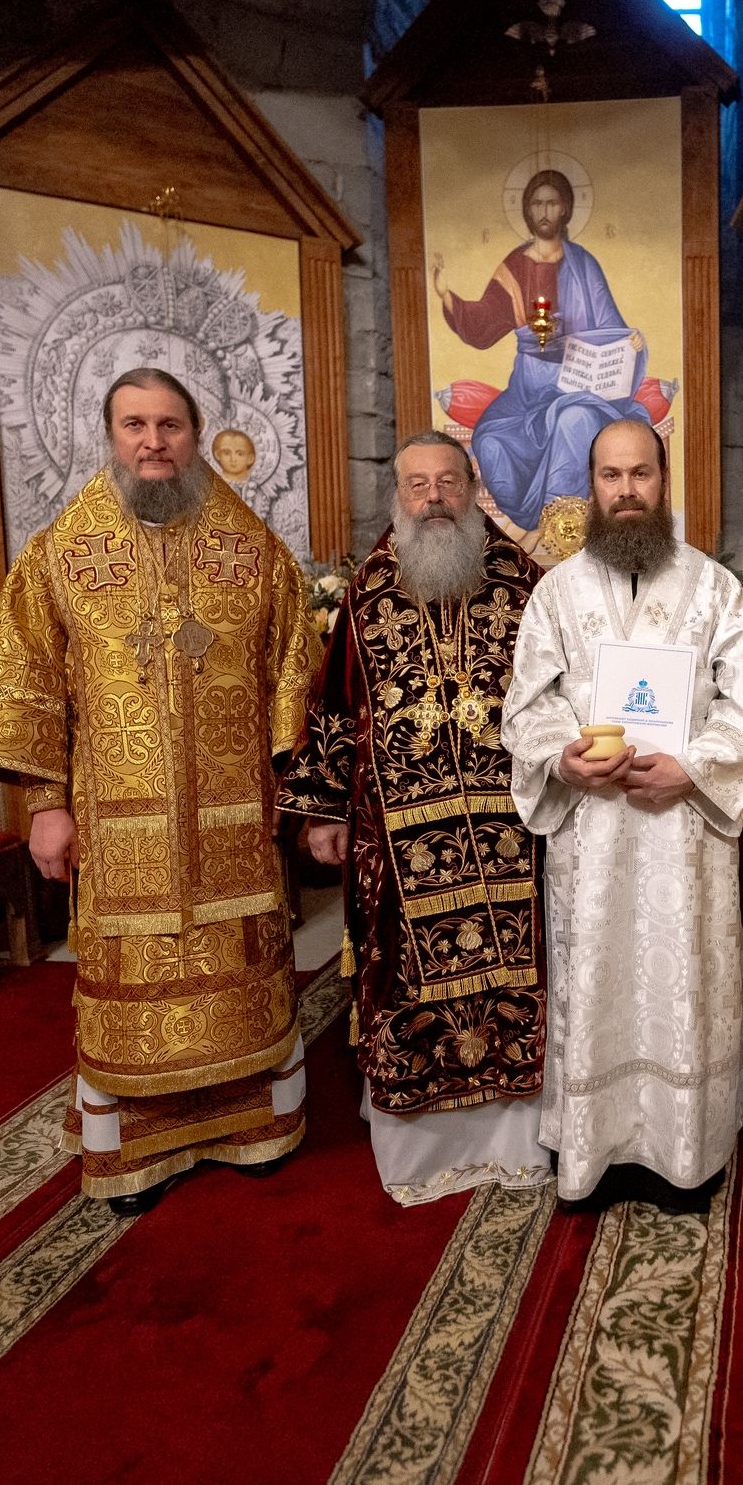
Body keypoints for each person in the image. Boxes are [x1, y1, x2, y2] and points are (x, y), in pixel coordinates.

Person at [0, 367, 313, 1215]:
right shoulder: (63, 552)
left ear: (196, 432)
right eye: (135, 425)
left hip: (232, 826)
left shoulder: (255, 550)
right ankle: (136, 1159)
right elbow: (30, 683)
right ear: (110, 434)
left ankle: (254, 1131)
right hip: (120, 831)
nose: (154, 442)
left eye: (170, 425)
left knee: (242, 982)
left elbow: (294, 673)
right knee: (128, 994)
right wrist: (46, 803)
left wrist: (293, 788)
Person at [503, 418, 743, 1200]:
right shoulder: (556, 593)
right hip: (591, 835)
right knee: (596, 982)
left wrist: (693, 767)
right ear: (592, 487)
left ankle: (685, 1152)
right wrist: (563, 757)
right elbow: (527, 706)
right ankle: (594, 1149)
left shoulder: (713, 587)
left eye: (641, 474)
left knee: (680, 985)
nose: (627, 491)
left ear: (664, 479)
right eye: (611, 476)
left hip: (682, 839)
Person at [279, 431, 550, 1205]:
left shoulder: (527, 584)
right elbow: (334, 705)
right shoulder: (367, 590)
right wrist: (322, 810)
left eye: (447, 481)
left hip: (511, 831)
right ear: (398, 495)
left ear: (474, 487)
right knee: (405, 981)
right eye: (417, 483)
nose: (434, 497)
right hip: (395, 838)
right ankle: (422, 1147)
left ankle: (517, 1141)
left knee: (520, 976)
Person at [433, 168, 654, 532]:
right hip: (528, 389)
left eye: (552, 203)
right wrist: (447, 296)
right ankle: (531, 526)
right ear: (527, 210)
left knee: (574, 421)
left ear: (565, 209)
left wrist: (631, 343)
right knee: (490, 439)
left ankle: (562, 529)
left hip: (579, 384)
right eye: (537, 203)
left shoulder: (583, 265)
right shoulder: (515, 265)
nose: (545, 211)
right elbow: (485, 321)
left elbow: (610, 326)